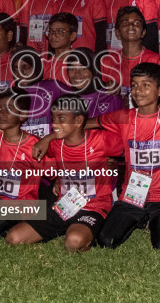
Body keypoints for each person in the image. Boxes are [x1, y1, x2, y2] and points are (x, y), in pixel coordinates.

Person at [22, 95, 121, 251]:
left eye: (61, 118)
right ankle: (67, 227)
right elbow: (50, 166)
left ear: (78, 120)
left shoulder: (102, 140)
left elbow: (129, 146)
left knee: (73, 242)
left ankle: (86, 230)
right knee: (14, 238)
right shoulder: (54, 144)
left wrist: (114, 164)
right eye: (53, 118)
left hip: (94, 206)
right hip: (64, 205)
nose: (54, 123)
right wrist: (57, 179)